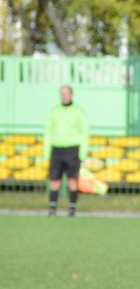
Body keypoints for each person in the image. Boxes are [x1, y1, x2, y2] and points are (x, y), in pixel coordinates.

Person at [44, 85, 89, 217]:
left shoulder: (78, 111)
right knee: (54, 179)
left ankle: (72, 208)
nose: (64, 95)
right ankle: (52, 207)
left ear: (71, 94)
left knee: (72, 180)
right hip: (57, 149)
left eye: (66, 93)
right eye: (62, 93)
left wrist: (83, 153)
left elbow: (84, 132)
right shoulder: (55, 111)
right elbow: (48, 131)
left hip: (72, 149)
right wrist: (46, 152)